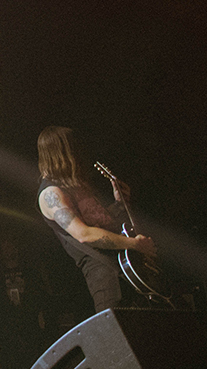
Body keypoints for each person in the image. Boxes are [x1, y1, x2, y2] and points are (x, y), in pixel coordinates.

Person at [35, 126, 154, 314]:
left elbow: (103, 221)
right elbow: (84, 234)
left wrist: (119, 204)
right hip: (106, 278)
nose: (79, 153)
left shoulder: (76, 184)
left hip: (128, 270)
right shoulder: (51, 194)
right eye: (74, 147)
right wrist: (134, 244)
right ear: (62, 152)